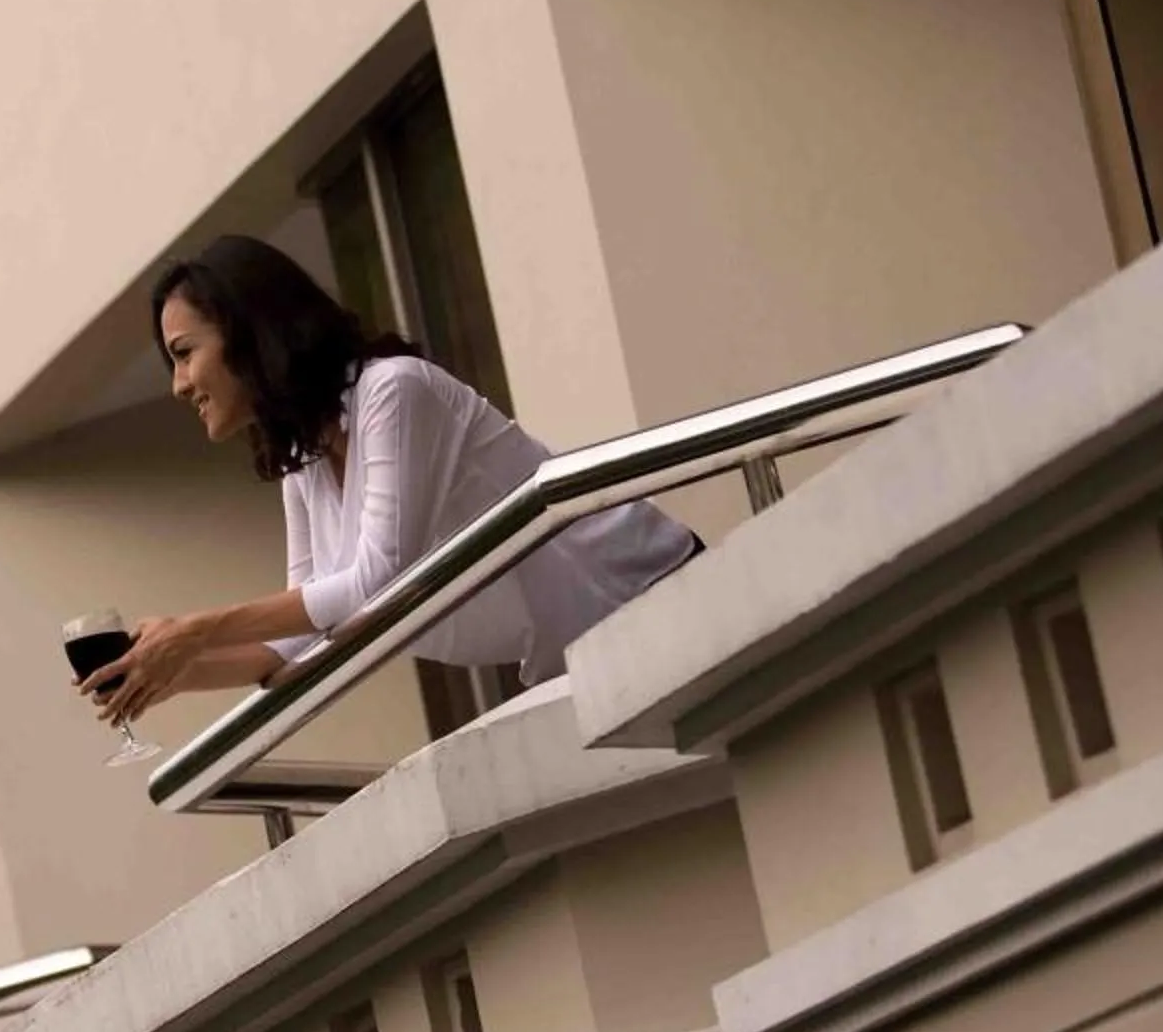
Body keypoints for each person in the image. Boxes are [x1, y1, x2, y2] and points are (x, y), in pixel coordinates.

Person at [79, 234, 701, 728]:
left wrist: (196, 630)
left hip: (662, 600)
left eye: (185, 353)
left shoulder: (394, 390)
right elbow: (304, 638)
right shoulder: (306, 462)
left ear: (249, 332)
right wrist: (171, 671)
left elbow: (380, 585)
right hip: (585, 655)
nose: (178, 384)